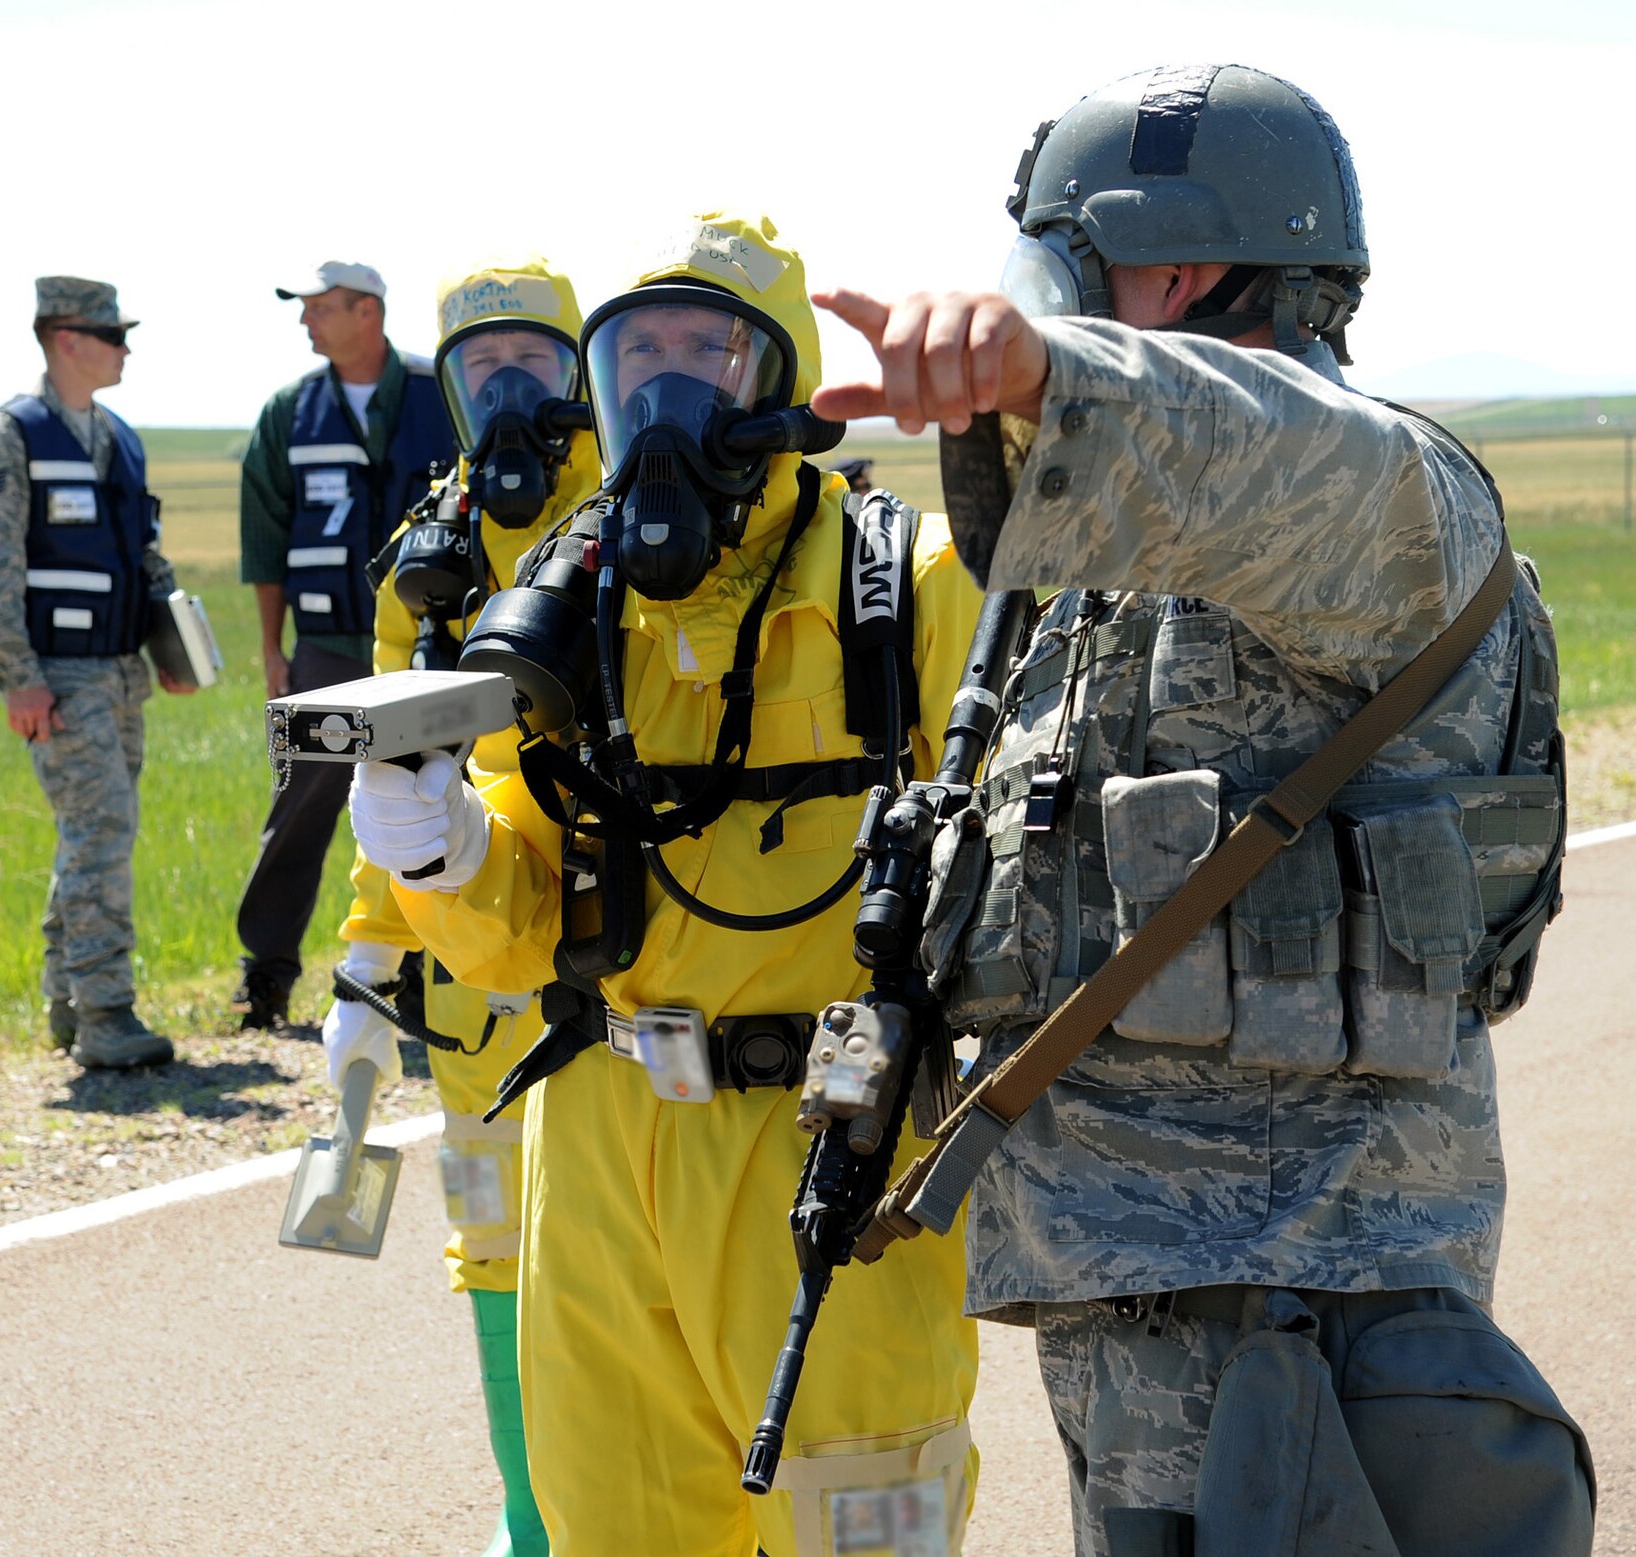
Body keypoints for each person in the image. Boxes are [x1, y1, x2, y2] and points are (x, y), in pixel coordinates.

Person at [813, 65, 1594, 1557]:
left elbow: (1271, 441)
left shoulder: (1383, 500)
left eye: (1066, 272)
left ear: (1172, 270)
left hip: (1306, 1322)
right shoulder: (1117, 576)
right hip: (1139, 1299)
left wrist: (1040, 370)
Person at [350, 214, 982, 1557]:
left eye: (712, 351)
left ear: (785, 385)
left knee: (864, 1520)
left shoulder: (910, 585)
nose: (672, 389)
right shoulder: (570, 610)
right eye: (642, 358)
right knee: (616, 1532)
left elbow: (1023, 867)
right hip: (594, 1151)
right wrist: (437, 852)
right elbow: (518, 931)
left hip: (831, 1153)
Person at [327, 255, 600, 1557]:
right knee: (493, 1252)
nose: (509, 393)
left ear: (581, 376)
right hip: (469, 993)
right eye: (481, 370)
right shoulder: (418, 569)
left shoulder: (642, 521)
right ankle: (532, 1524)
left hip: (619, 966)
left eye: (533, 364)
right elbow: (388, 780)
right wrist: (365, 963)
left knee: (634, 1261)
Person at [0, 275, 194, 1070]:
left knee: (92, 830)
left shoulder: (120, 437)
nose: (125, 348)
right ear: (66, 338)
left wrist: (176, 648)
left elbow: (144, 555)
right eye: (112, 334)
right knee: (102, 832)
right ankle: (105, 1014)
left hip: (122, 670)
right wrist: (17, 674)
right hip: (55, 674)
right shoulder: (10, 435)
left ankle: (67, 999)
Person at [232, 261, 456, 1034]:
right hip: (326, 645)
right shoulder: (290, 413)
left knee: (438, 798)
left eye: (320, 308)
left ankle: (436, 971)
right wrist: (273, 649)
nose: (305, 323)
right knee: (302, 803)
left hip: (434, 644)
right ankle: (264, 973)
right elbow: (264, 537)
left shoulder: (442, 393)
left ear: (369, 311)